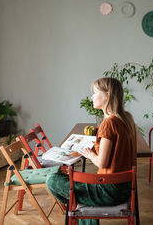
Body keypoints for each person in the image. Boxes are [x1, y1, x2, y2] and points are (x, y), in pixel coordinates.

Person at [46, 77, 137, 225]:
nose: (92, 97)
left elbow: (102, 162)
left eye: (95, 93)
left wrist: (89, 154)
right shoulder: (127, 118)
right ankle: (81, 206)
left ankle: (79, 208)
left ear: (107, 96)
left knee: (53, 180)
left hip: (109, 191)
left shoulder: (108, 124)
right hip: (126, 187)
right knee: (77, 192)